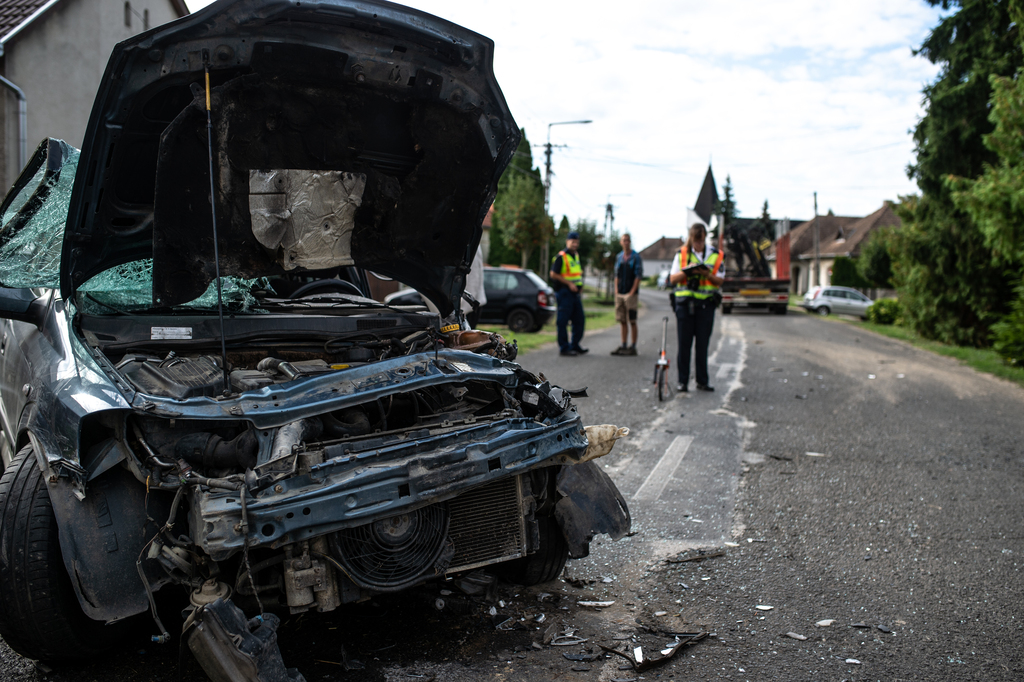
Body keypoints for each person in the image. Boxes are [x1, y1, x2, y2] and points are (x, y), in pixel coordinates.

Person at [670, 222, 724, 392]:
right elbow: (672, 279)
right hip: (685, 306)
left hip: (706, 306)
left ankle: (702, 380)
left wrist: (706, 274)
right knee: (684, 345)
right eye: (696, 241)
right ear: (691, 239)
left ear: (705, 238)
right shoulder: (682, 254)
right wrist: (687, 272)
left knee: (702, 345)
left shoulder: (715, 255)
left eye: (701, 241)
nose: (698, 244)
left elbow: (720, 280)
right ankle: (682, 382)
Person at [550, 231, 587, 357]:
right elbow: (553, 274)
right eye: (573, 241)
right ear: (567, 241)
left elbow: (576, 275)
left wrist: (579, 286)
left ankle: (574, 345)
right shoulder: (562, 256)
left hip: (575, 294)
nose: (575, 244)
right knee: (563, 321)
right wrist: (569, 284)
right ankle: (564, 348)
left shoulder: (575, 256)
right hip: (564, 293)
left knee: (579, 320)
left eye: (577, 242)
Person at [611, 233, 643, 355]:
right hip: (620, 292)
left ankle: (633, 346)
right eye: (624, 240)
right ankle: (623, 344)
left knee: (632, 320)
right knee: (622, 320)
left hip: (631, 294)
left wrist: (632, 292)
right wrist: (616, 290)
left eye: (628, 240)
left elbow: (638, 276)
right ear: (621, 242)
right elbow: (616, 275)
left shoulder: (636, 257)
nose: (626, 242)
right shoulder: (619, 257)